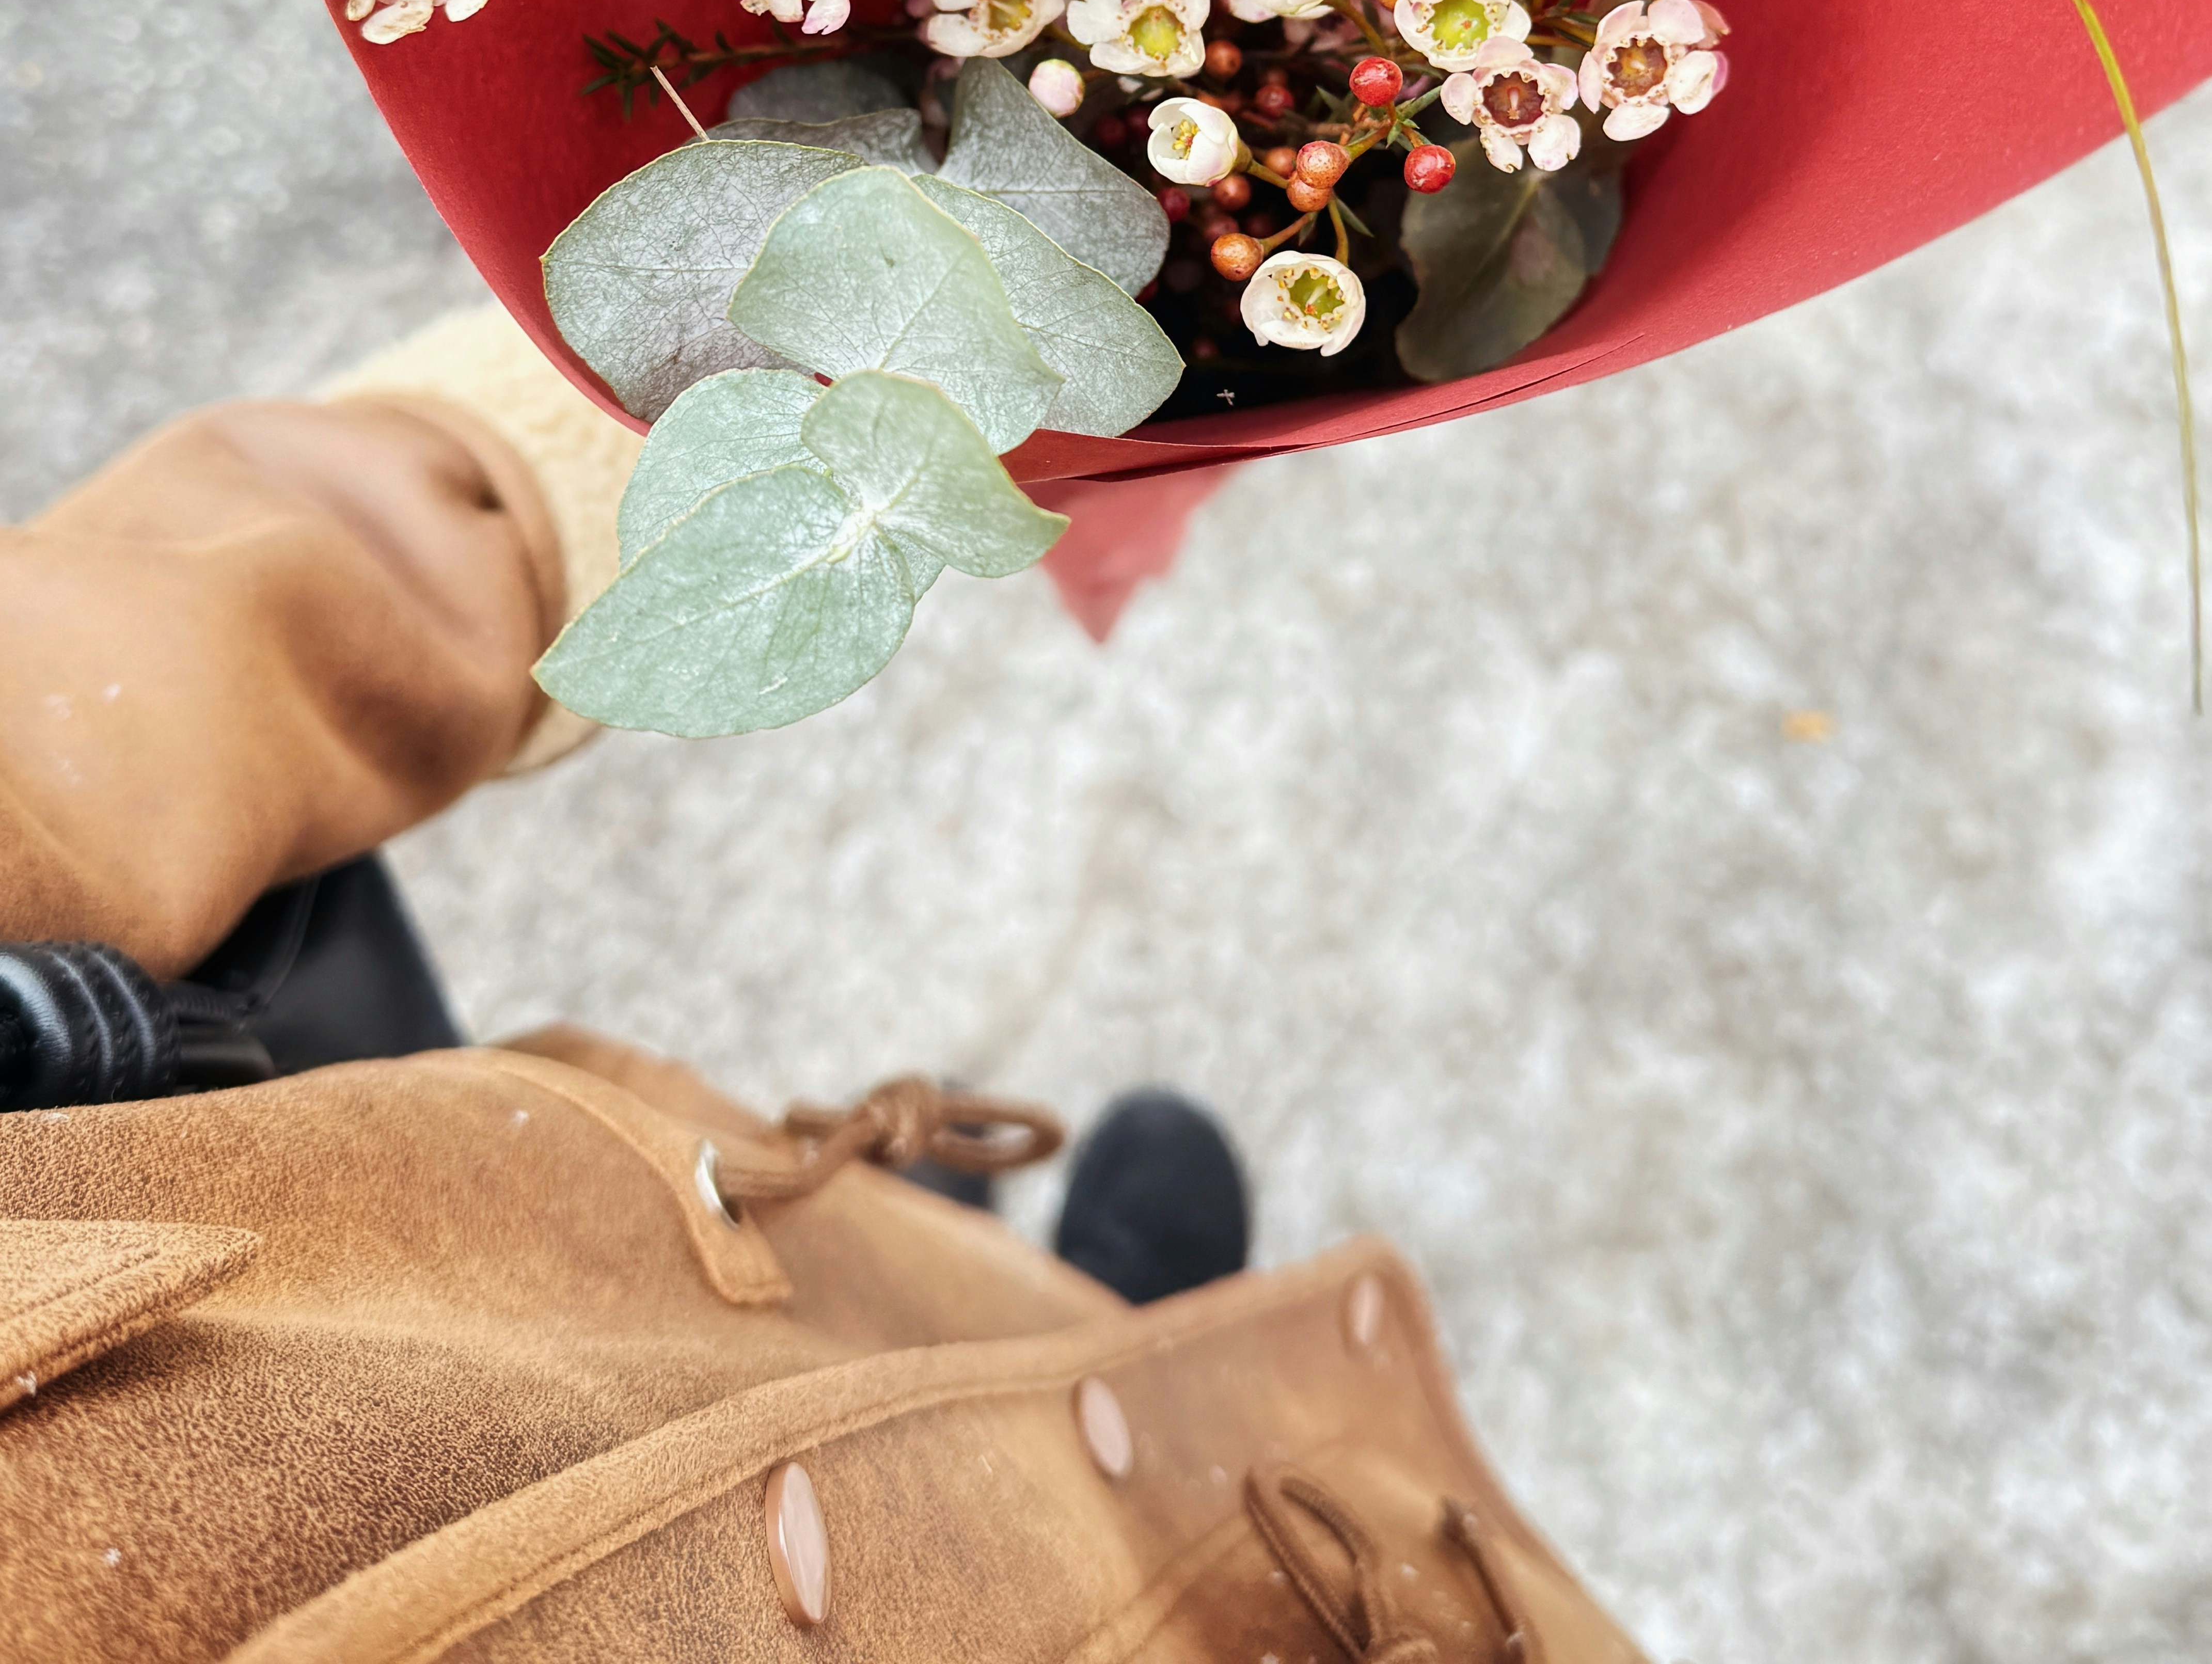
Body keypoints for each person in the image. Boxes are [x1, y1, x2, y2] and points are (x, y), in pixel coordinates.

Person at [0, 379, 1651, 1661]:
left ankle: (977, 1313)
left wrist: (567, 448)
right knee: (1097, 1492)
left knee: (810, 1280)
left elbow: (90, 714)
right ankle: (1110, 1393)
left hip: (470, 1228)